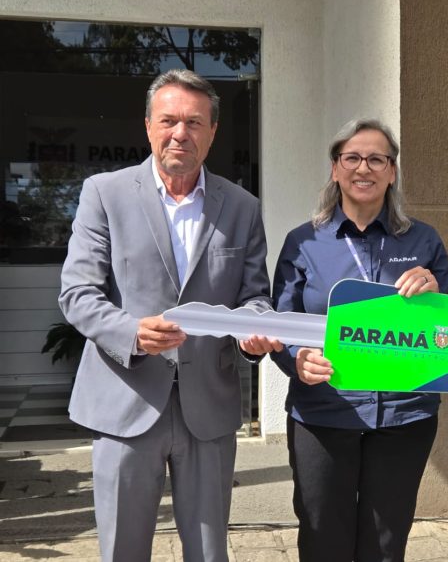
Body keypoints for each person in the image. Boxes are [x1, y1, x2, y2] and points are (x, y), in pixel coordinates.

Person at [59, 69, 282, 562]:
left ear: (212, 132)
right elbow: (77, 293)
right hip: (126, 400)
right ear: (148, 126)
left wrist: (253, 331)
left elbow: (255, 296)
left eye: (194, 122)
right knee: (123, 550)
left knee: (209, 552)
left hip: (208, 405)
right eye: (169, 121)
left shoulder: (241, 206)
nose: (181, 133)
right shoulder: (105, 193)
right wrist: (132, 332)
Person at [270, 118, 448, 562]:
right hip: (323, 413)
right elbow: (282, 322)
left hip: (404, 417)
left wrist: (436, 297)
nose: (363, 168)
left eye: (376, 159)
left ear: (392, 171)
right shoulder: (304, 242)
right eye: (352, 157)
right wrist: (297, 359)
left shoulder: (424, 240)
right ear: (335, 169)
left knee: (385, 546)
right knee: (323, 541)